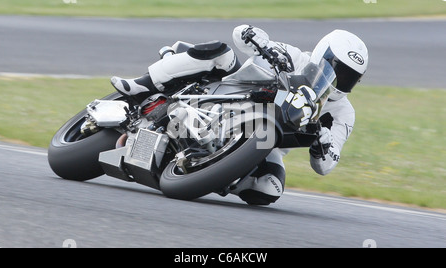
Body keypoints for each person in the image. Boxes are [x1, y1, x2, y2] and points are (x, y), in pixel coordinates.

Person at [110, 25, 369, 206]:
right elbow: (241, 36)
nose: (340, 80)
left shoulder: (343, 112)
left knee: (268, 189)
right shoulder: (293, 56)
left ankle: (209, 173)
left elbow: (327, 164)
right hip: (229, 95)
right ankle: (143, 85)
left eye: (349, 77)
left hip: (266, 141)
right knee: (220, 52)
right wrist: (253, 35)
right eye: (337, 69)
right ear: (322, 53)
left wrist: (321, 146)